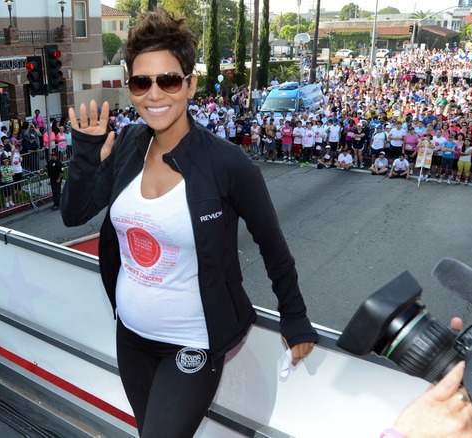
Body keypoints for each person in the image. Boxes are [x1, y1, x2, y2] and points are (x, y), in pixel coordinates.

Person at [60, 11, 317, 437]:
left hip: (192, 343)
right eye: (141, 83)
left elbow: (272, 246)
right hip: (131, 335)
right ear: (129, 86)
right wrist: (85, 153)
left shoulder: (228, 164)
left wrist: (295, 316)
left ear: (191, 84)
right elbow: (74, 213)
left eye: (169, 81)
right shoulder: (128, 144)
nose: (154, 94)